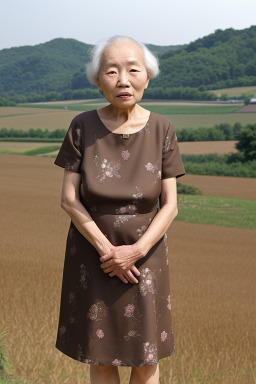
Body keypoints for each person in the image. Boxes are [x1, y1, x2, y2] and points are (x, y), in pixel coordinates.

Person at [54, 35, 186, 384]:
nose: (123, 80)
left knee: (146, 358)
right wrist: (109, 252)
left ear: (147, 76)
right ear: (99, 80)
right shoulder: (82, 126)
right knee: (100, 359)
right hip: (93, 254)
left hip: (146, 259)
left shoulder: (162, 129)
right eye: (111, 71)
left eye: (132, 70)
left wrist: (135, 252)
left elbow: (170, 204)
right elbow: (69, 198)